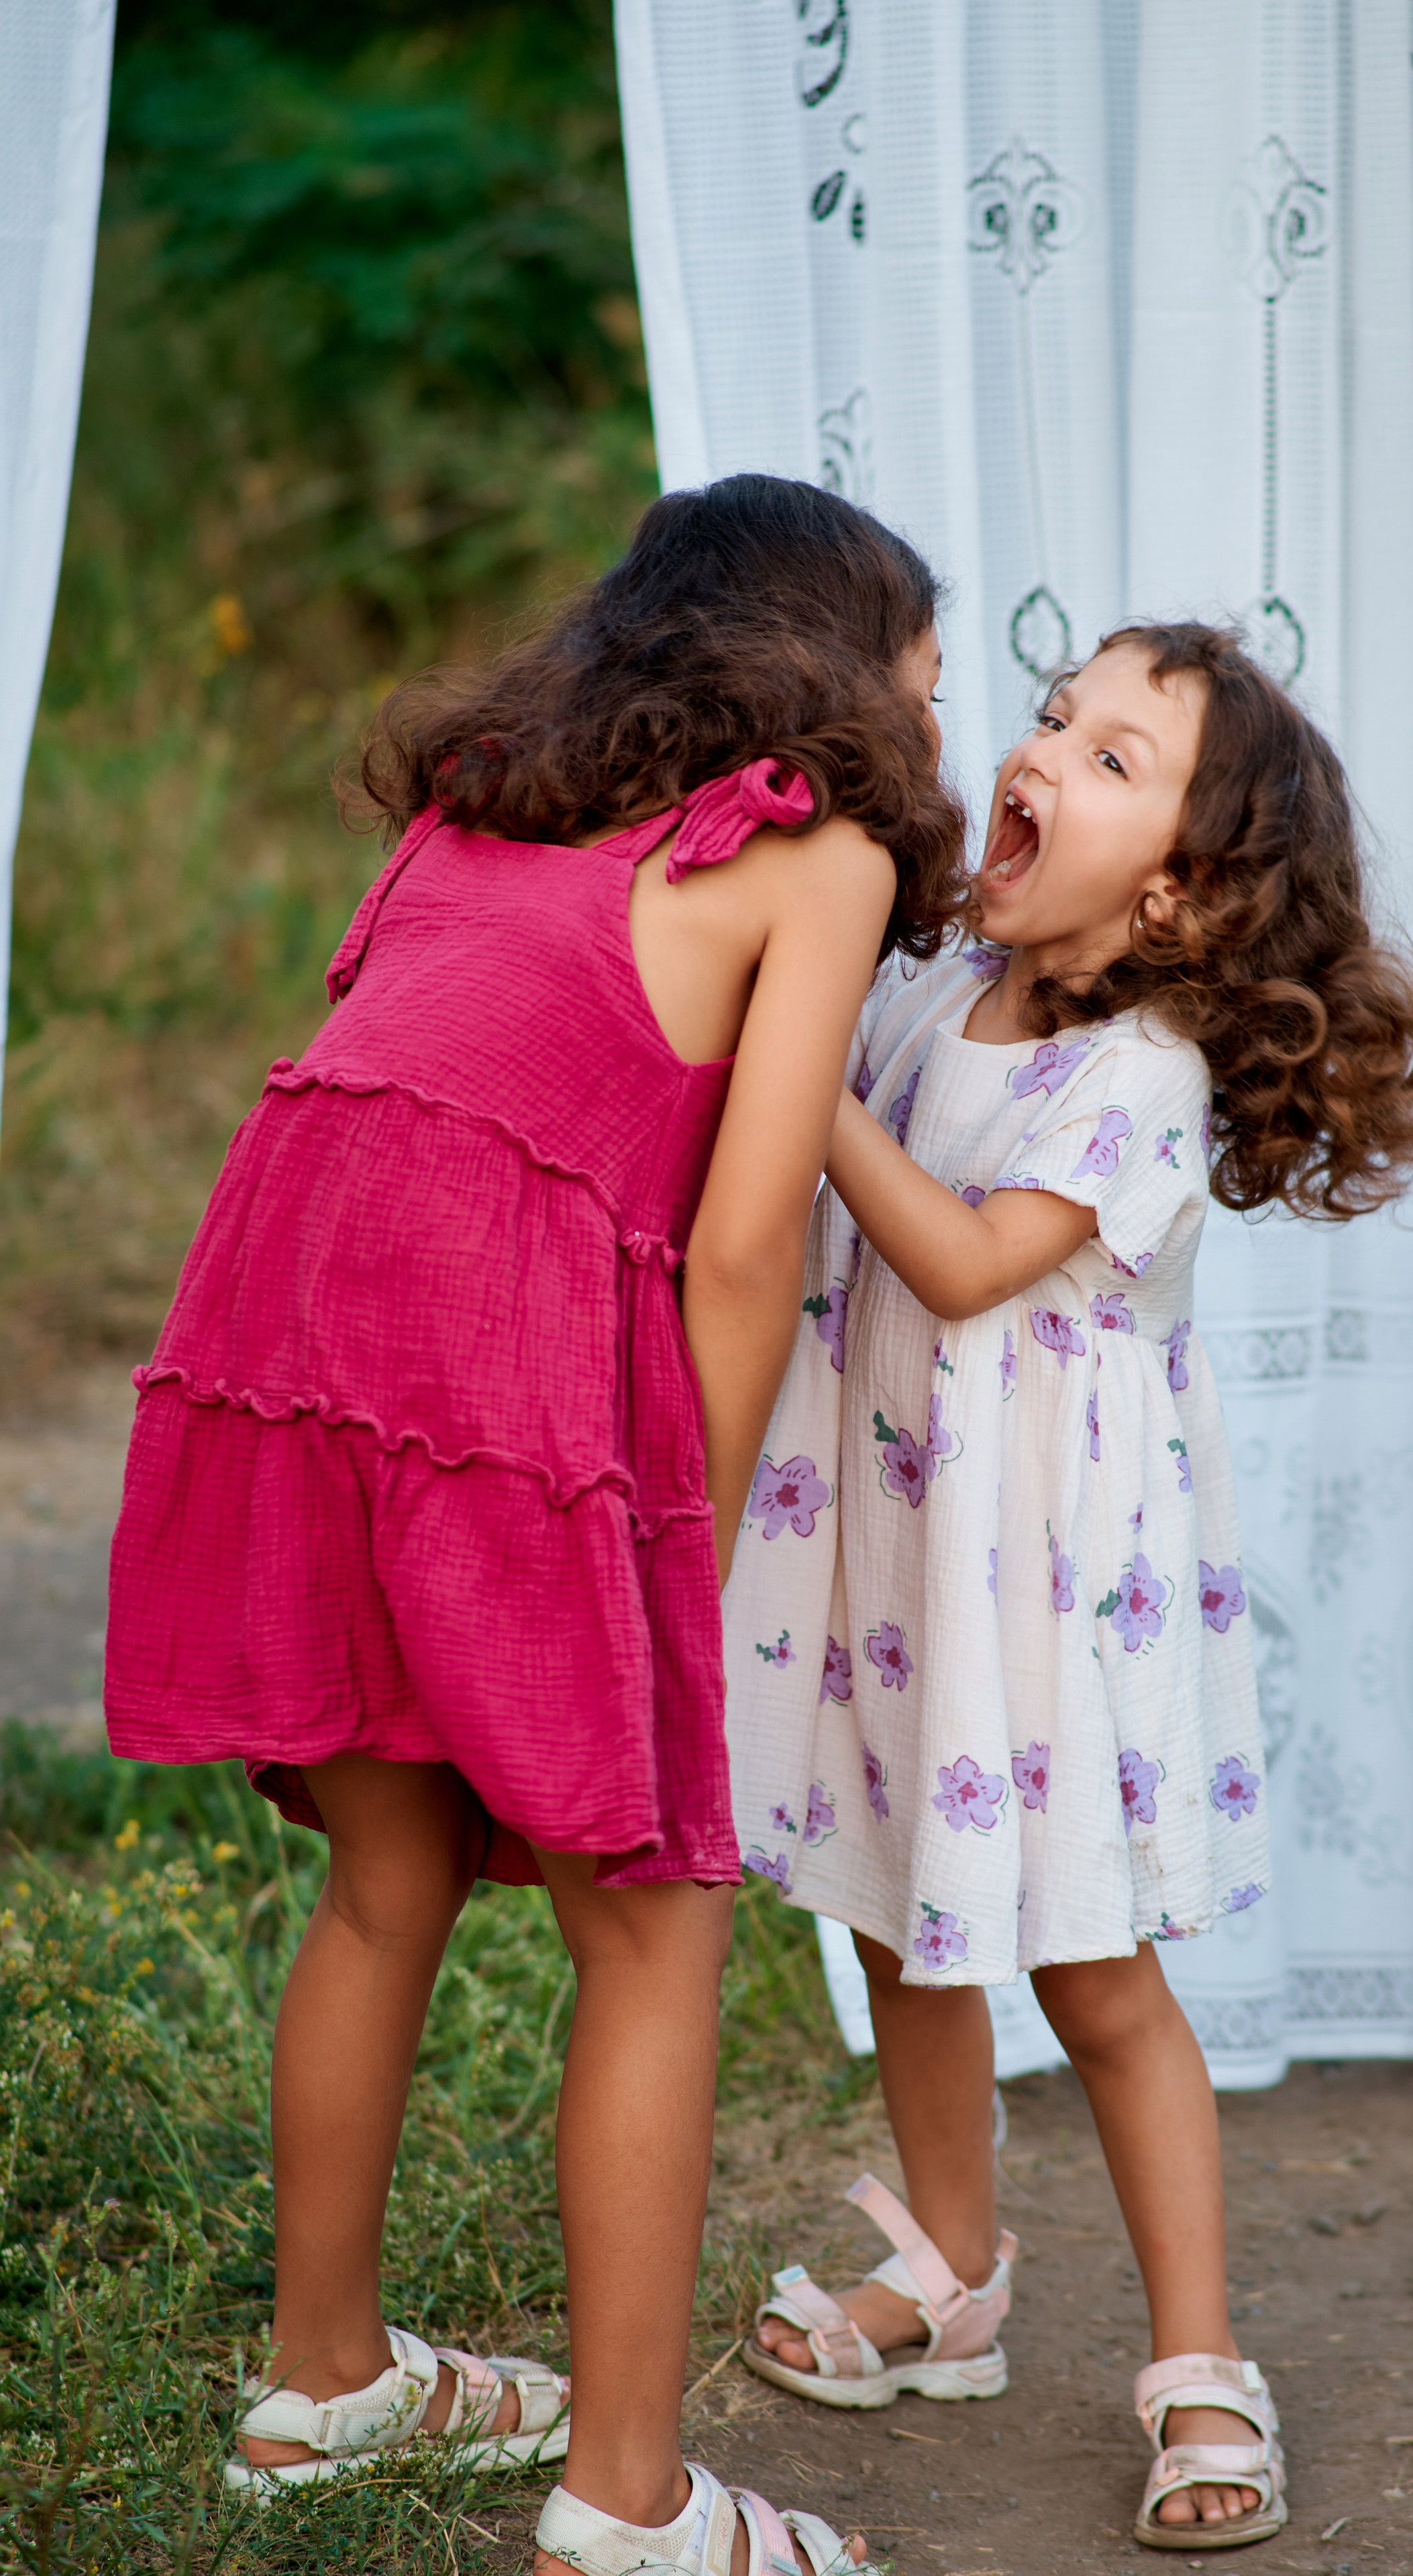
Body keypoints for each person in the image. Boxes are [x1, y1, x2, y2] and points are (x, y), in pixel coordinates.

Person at [104, 474, 970, 2576]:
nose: (937, 726)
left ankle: (323, 2383)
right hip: (482, 1343)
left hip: (284, 1307)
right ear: (841, 672)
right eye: (929, 680)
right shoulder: (821, 851)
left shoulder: (483, 795)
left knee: (384, 1874)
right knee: (655, 1923)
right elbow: (747, 1242)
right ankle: (630, 2504)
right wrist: (687, 1517)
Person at [722, 621, 1413, 2551]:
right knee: (898, 1917)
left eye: (1115, 756)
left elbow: (968, 1263)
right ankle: (953, 2267)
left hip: (1045, 1584)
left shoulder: (1141, 1071)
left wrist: (804, 1078)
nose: (1045, 750)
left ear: (1185, 894)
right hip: (900, 1548)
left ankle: (1201, 2358)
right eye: (1056, 715)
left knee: (1095, 1972)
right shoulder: (929, 990)